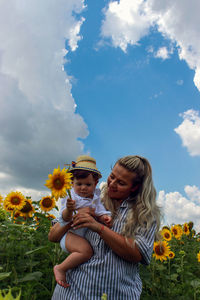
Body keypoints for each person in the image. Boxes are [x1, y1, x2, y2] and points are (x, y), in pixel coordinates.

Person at [49, 155, 161, 300]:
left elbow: (137, 254)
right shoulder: (92, 198)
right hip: (71, 292)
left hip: (113, 294)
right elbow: (53, 236)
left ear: (135, 187)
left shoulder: (144, 213)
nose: (112, 184)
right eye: (112, 176)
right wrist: (74, 216)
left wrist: (99, 227)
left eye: (120, 182)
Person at [52, 155, 112, 288]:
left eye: (88, 184)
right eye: (79, 184)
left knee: (85, 252)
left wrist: (104, 218)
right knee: (86, 251)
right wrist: (69, 209)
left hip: (81, 235)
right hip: (69, 235)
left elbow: (100, 211)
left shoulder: (96, 197)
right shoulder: (70, 197)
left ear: (95, 183)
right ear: (72, 182)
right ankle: (61, 268)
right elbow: (64, 218)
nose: (83, 188)